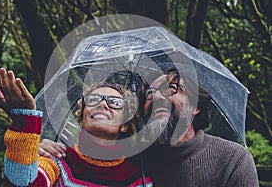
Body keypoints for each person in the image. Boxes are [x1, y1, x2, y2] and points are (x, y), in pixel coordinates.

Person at [40, 68, 259, 187]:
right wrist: (42, 149)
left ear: (196, 107)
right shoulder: (136, 159)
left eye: (171, 89)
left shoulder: (232, 160)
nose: (157, 98)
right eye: (149, 94)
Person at [0, 68, 153, 186]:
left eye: (115, 102)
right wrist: (24, 121)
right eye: (94, 99)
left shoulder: (139, 179)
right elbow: (23, 183)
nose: (103, 104)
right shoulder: (57, 161)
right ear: (81, 119)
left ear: (124, 125)